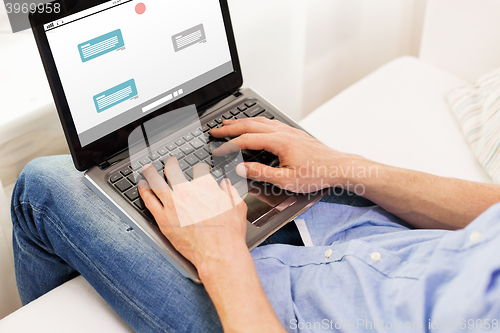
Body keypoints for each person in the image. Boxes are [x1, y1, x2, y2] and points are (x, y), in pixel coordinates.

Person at [11, 117, 500, 333]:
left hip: (265, 315)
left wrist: (220, 252)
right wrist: (345, 166)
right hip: (369, 239)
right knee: (229, 138)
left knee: (44, 186)